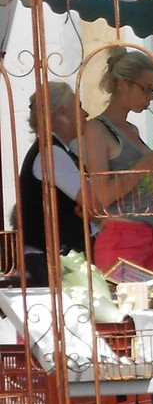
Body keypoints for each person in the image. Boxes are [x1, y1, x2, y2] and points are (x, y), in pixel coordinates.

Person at [83, 49, 153, 280]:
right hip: (122, 234)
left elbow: (151, 188)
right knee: (130, 311)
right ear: (122, 84)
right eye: (146, 89)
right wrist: (151, 159)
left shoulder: (133, 131)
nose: (150, 97)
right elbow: (102, 196)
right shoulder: (97, 129)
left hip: (151, 232)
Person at [18, 81, 87, 283]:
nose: (85, 113)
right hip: (48, 261)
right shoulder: (51, 152)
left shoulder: (61, 150)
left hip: (57, 257)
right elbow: (93, 201)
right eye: (79, 106)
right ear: (64, 112)